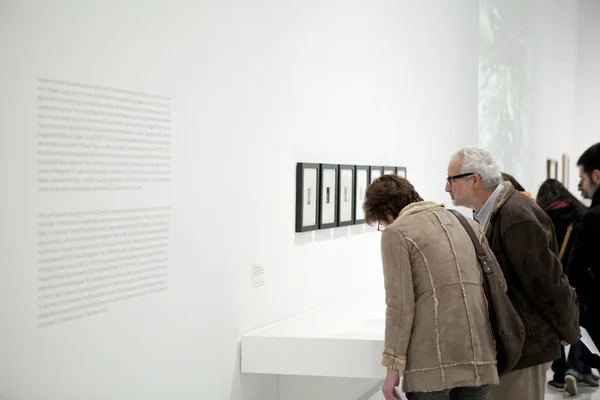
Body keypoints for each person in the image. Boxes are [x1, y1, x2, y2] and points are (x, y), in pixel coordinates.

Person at [445, 146, 580, 400]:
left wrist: (568, 331)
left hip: (526, 346)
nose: (447, 188)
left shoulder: (515, 216)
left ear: (474, 180)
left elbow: (548, 282)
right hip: (514, 344)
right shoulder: (493, 214)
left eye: (451, 180)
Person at [364, 174, 500, 400]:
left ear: (386, 212)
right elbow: (496, 282)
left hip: (431, 364)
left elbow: (400, 307)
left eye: (381, 221)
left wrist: (391, 369)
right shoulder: (465, 222)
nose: (384, 226)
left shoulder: (396, 233)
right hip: (480, 358)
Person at [536, 179, 598, 393]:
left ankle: (561, 373)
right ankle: (580, 368)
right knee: (582, 324)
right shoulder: (580, 211)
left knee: (555, 323)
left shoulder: (542, 215)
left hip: (554, 278)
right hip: (579, 277)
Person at [565, 142, 600, 395]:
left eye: (583, 178)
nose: (582, 185)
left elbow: (575, 271)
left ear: (597, 175)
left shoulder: (594, 218)